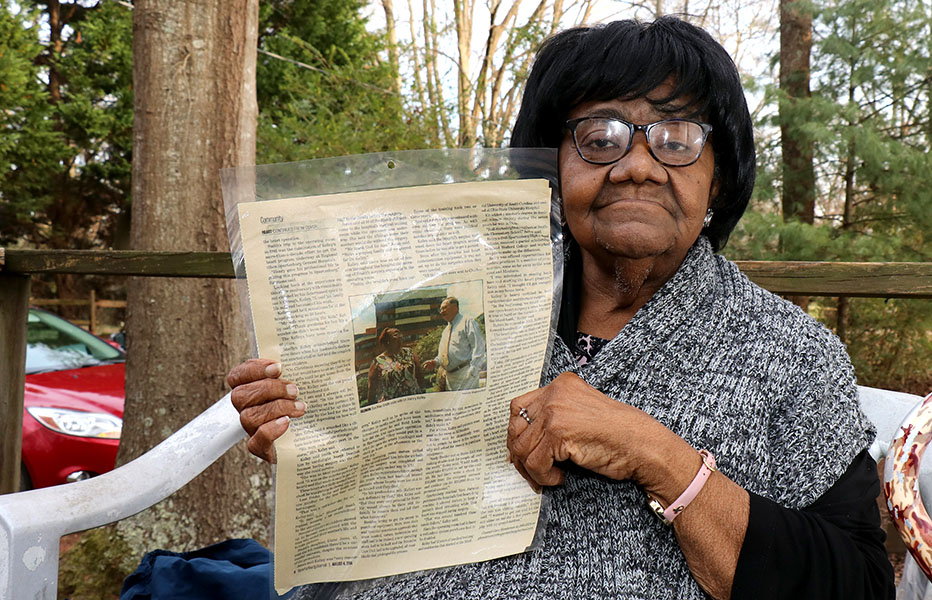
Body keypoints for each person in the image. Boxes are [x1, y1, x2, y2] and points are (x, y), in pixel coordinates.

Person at [226, 16, 895, 599]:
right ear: (553, 167)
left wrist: (656, 453)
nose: (636, 165)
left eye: (676, 137)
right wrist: (309, 430)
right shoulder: (448, 304)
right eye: (600, 137)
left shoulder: (787, 353)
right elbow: (370, 480)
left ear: (717, 173)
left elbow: (860, 583)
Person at [420, 297, 486, 391]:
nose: (442, 311)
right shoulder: (445, 331)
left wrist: (473, 370)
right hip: (450, 379)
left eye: (445, 308)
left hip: (465, 374)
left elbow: (479, 346)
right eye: (441, 309)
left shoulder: (467, 322)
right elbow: (442, 355)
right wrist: (435, 362)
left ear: (455, 307)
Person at [364, 327, 424, 405]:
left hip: (413, 399)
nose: (400, 336)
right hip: (391, 403)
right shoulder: (378, 361)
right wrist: (370, 406)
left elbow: (419, 373)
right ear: (388, 341)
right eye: (395, 335)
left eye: (400, 334)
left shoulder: (409, 352)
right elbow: (372, 387)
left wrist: (423, 392)